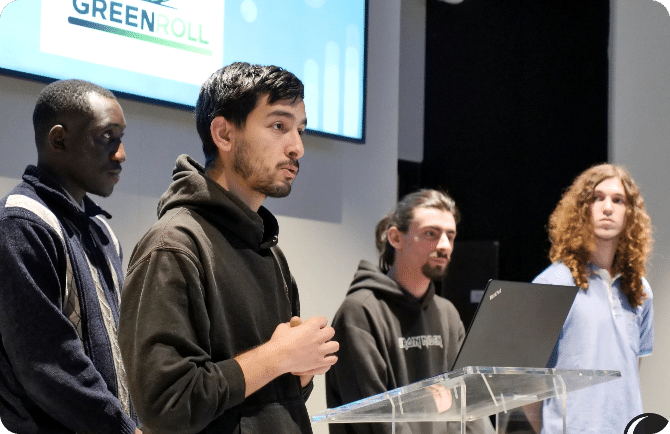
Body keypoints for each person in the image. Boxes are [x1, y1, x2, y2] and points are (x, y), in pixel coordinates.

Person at [118, 62, 339, 434]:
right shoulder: (172, 246)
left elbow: (265, 401)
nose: (297, 147)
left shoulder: (270, 252)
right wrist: (278, 356)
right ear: (223, 134)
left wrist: (298, 371)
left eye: (300, 130)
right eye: (279, 126)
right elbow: (166, 406)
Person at [0, 79, 139, 433]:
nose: (121, 154)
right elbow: (47, 363)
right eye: (107, 136)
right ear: (59, 140)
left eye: (121, 138)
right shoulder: (22, 223)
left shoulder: (103, 234)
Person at [326, 189, 493, 434]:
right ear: (396, 238)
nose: (444, 246)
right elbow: (376, 419)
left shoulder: (447, 313)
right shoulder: (360, 312)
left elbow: (469, 405)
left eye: (450, 236)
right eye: (431, 234)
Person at [529, 163, 654, 434]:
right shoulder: (553, 283)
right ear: (581, 209)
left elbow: (631, 372)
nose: (607, 208)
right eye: (597, 198)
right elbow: (527, 383)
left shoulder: (640, 291)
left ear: (630, 214)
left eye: (618, 200)